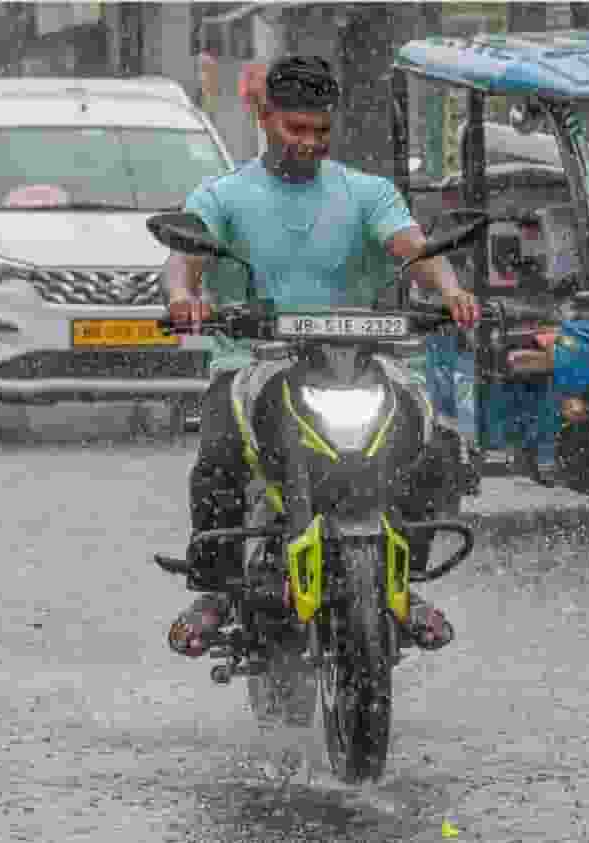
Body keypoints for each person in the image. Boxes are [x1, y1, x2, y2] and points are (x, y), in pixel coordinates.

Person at [162, 56, 481, 659]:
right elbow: (184, 259)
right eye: (295, 129)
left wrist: (450, 290)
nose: (308, 142)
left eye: (321, 131)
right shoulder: (222, 196)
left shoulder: (368, 193)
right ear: (265, 118)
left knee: (435, 447)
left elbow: (413, 248)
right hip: (252, 362)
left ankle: (401, 581)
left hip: (359, 361)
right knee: (219, 454)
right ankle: (217, 589)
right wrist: (183, 297)